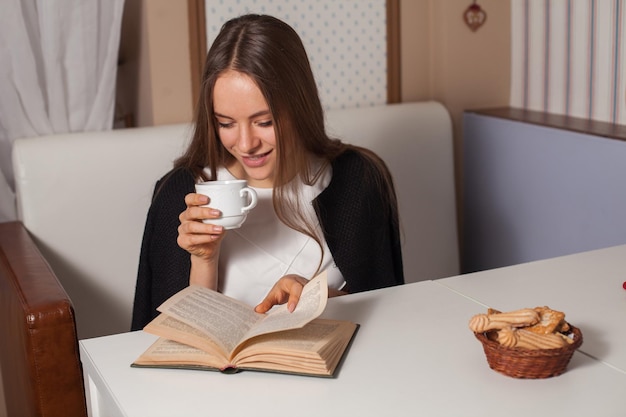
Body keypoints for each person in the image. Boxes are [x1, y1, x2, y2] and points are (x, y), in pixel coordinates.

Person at [130, 14, 404, 331]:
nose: (246, 144)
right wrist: (203, 260)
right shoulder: (180, 194)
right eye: (226, 123)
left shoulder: (358, 181)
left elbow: (389, 313)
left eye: (264, 121)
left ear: (299, 106)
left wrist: (319, 298)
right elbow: (165, 342)